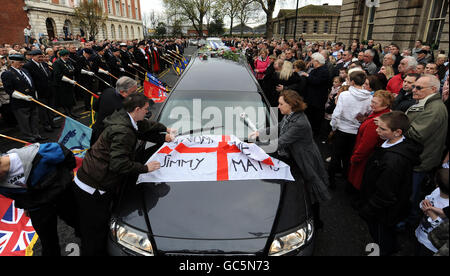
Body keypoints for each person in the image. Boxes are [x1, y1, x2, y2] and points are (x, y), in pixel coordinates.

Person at [73, 93, 175, 256]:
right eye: (146, 109)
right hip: (94, 186)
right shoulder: (124, 132)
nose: (148, 112)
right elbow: (118, 164)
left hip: (94, 178)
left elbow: (144, 127)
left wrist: (165, 130)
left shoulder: (125, 117)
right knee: (94, 232)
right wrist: (146, 168)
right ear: (137, 109)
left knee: (92, 225)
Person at [250, 90, 331, 229]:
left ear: (291, 105)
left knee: (311, 189)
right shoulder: (291, 115)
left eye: (281, 104)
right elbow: (279, 127)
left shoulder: (300, 123)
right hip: (296, 154)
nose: (278, 106)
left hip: (306, 159)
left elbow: (280, 142)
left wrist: (254, 147)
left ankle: (315, 221)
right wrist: (260, 133)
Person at [359, 111, 422, 256]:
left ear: (397, 132)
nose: (377, 130)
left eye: (382, 129)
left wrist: (367, 209)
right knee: (386, 235)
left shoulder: (392, 162)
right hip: (388, 209)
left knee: (381, 238)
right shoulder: (394, 145)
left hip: (383, 212)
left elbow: (385, 194)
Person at [0, 142, 79, 256]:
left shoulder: (35, 154)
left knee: (76, 220)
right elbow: (14, 194)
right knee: (48, 242)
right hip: (37, 206)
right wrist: (25, 205)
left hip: (60, 193)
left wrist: (69, 174)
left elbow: (63, 152)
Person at [403, 74, 448, 228]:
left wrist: (398, 124)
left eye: (418, 87)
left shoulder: (434, 109)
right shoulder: (427, 103)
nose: (413, 89)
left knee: (412, 194)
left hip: (421, 160)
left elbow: (417, 133)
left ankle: (408, 221)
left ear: (433, 89)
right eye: (414, 86)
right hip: (418, 157)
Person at [329, 70, 372, 189]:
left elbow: (337, 113)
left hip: (342, 129)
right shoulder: (369, 98)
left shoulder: (344, 95)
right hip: (356, 131)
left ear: (352, 82)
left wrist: (333, 127)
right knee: (349, 156)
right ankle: (346, 177)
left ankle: (331, 181)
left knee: (336, 156)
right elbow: (369, 113)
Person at [348, 90, 395, 192]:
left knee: (360, 183)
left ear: (385, 104)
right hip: (370, 156)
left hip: (365, 158)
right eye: (372, 101)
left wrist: (355, 157)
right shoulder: (383, 114)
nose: (371, 105)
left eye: (375, 103)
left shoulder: (377, 121)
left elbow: (367, 144)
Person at [1, 54, 45, 142]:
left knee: (34, 119)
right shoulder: (7, 73)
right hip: (20, 103)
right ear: (12, 62)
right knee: (24, 121)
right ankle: (28, 136)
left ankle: (36, 135)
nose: (22, 64)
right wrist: (23, 97)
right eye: (20, 62)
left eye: (23, 62)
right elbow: (9, 90)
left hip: (32, 100)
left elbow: (31, 84)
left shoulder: (25, 70)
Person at [90, 76, 137, 146]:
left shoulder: (107, 91)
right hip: (109, 142)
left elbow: (95, 107)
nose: (135, 94)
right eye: (133, 92)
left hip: (96, 134)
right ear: (122, 92)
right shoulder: (123, 107)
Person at [415, 168, 449, 256]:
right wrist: (424, 203)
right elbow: (426, 200)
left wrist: (432, 215)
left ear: (437, 184)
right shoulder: (437, 191)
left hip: (432, 245)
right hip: (421, 234)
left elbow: (444, 231)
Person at [23, 49, 57, 132]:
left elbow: (50, 75)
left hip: (49, 90)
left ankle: (52, 122)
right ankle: (46, 125)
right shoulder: (28, 66)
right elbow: (30, 80)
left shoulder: (44, 64)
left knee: (50, 108)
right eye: (39, 57)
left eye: (42, 56)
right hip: (39, 92)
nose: (41, 58)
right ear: (33, 57)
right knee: (43, 110)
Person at [300, 52, 331, 136]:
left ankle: (314, 133)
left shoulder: (324, 70)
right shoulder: (316, 69)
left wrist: (307, 75)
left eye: (312, 60)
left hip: (317, 99)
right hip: (311, 98)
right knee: (310, 115)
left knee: (315, 117)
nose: (311, 62)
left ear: (317, 61)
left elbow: (317, 81)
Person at [51, 49, 78, 118]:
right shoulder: (57, 63)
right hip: (62, 84)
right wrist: (69, 80)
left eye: (67, 55)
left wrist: (73, 80)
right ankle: (67, 113)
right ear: (61, 56)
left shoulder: (68, 62)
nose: (67, 57)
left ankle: (71, 111)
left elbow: (72, 71)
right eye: (65, 56)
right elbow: (58, 75)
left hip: (70, 84)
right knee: (64, 99)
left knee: (71, 98)